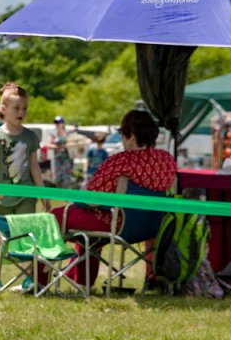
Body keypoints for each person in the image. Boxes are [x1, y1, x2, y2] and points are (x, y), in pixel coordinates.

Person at [49, 110, 177, 288]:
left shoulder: (120, 161)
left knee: (54, 217)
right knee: (91, 230)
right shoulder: (167, 160)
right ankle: (80, 282)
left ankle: (39, 281)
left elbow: (91, 199)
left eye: (123, 135)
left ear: (131, 136)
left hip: (121, 226)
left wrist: (76, 201)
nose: (122, 140)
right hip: (153, 227)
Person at [0, 82, 50, 293]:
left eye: (24, 108)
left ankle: (30, 278)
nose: (21, 112)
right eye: (16, 108)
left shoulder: (30, 136)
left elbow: (34, 167)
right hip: (1, 197)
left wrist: (42, 195)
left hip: (25, 195)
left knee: (28, 234)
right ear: (3, 109)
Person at [49, 116, 74, 189]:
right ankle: (59, 194)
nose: (57, 124)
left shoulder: (67, 134)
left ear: (62, 124)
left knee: (67, 177)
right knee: (58, 177)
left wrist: (66, 145)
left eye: (59, 123)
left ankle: (66, 196)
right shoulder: (53, 134)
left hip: (67, 158)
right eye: (56, 123)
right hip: (57, 158)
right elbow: (48, 144)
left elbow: (73, 143)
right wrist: (57, 146)